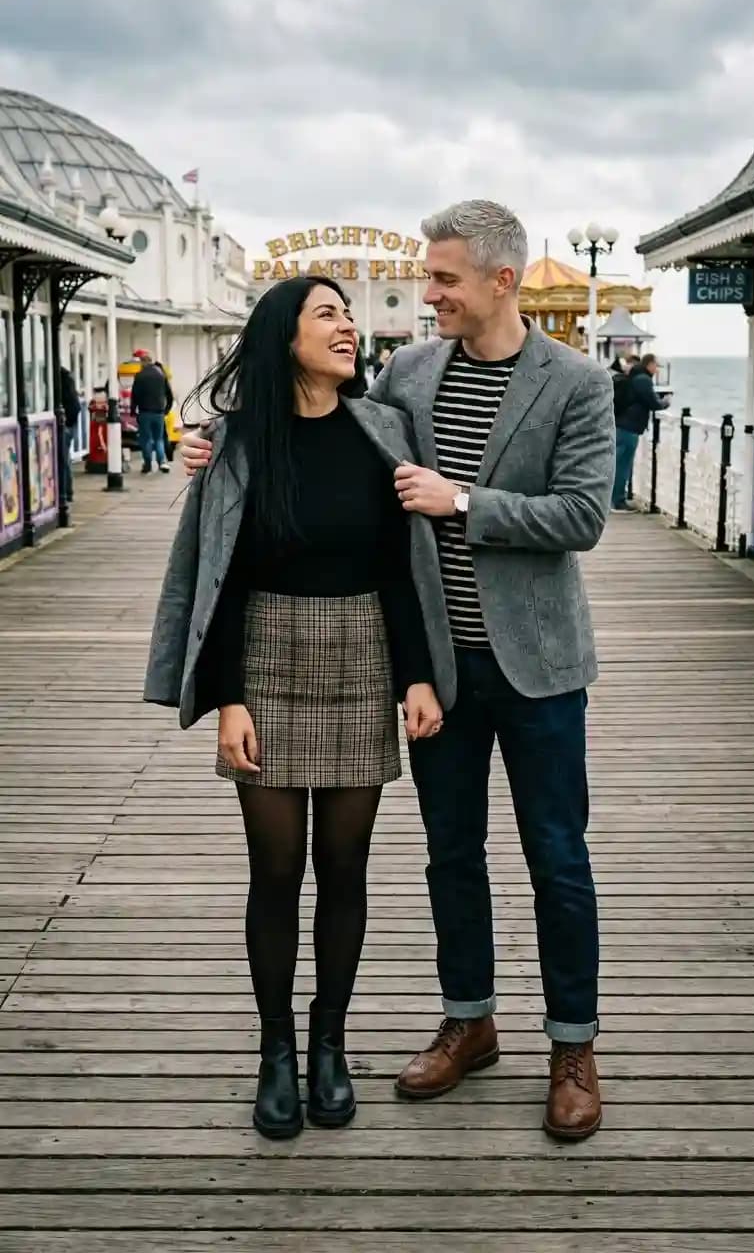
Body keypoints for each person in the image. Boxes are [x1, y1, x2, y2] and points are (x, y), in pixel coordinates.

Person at [180, 200, 615, 1141]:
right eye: (427, 278)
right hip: (432, 666)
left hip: (537, 662)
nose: (428, 296)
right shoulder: (411, 374)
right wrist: (212, 448)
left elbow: (583, 515)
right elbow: (315, 431)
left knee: (558, 857)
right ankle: (469, 1021)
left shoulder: (577, 382)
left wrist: (462, 498)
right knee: (449, 853)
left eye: (445, 279)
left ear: (502, 280)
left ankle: (573, 1046)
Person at [144, 277, 443, 1141]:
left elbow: (402, 566)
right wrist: (229, 697)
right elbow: (223, 574)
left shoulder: (383, 429)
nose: (349, 326)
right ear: (286, 338)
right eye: (328, 315)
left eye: (349, 316)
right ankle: (275, 1049)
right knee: (276, 870)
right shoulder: (237, 442)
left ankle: (328, 1045)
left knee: (345, 868)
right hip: (266, 656)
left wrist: (418, 677)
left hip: (363, 655)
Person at [612, 352, 669, 510]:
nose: (657, 369)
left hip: (622, 425)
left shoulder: (635, 377)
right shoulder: (643, 380)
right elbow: (653, 402)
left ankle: (615, 498)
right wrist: (665, 402)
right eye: (656, 365)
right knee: (623, 464)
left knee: (619, 463)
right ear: (649, 364)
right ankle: (618, 500)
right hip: (629, 428)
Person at [130, 352, 172, 474]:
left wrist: (133, 410)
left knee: (146, 439)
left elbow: (135, 395)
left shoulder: (139, 375)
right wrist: (167, 409)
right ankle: (162, 462)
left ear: (143, 362)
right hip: (159, 412)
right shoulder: (161, 374)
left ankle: (147, 464)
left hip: (144, 412)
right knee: (159, 439)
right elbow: (169, 394)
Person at [59, 366, 81, 502]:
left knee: (63, 459)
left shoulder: (62, 384)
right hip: (70, 424)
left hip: (66, 425)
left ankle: (66, 491)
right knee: (65, 458)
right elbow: (76, 407)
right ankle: (67, 491)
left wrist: (66, 424)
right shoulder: (69, 381)